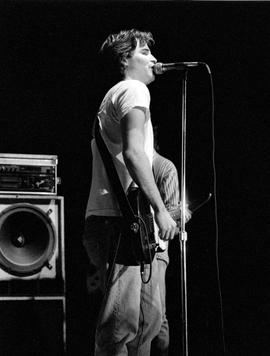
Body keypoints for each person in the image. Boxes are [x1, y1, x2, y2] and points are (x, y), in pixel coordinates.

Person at [82, 29, 177, 356]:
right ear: (125, 59)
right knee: (120, 329)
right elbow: (135, 155)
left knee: (146, 326)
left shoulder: (119, 96)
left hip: (127, 226)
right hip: (120, 225)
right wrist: (162, 210)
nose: (153, 58)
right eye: (145, 52)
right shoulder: (133, 89)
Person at [151, 148, 192, 356]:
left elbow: (171, 222)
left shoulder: (164, 167)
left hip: (155, 251)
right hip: (135, 250)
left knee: (158, 316)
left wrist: (178, 216)